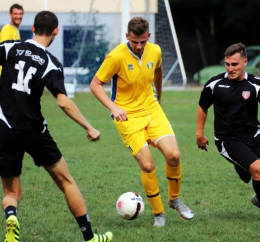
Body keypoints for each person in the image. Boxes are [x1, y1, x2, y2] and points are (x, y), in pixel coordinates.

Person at [0, 11, 112, 242]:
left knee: (10, 192)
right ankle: (91, 239)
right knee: (66, 181)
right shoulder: (51, 63)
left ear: (32, 28)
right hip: (34, 131)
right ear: (55, 31)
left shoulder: (9, 47)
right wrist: (89, 126)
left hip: (4, 128)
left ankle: (11, 215)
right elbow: (63, 102)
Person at [90, 16, 194, 227]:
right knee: (148, 165)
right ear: (127, 36)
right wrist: (114, 107)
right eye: (134, 41)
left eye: (142, 42)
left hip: (152, 110)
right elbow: (95, 84)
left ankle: (174, 200)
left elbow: (157, 70)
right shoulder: (115, 57)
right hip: (127, 116)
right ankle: (159, 214)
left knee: (173, 156)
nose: (138, 46)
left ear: (149, 37)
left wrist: (159, 97)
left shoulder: (154, 50)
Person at [196, 42, 260, 209]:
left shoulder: (255, 84)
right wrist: (199, 134)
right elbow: (203, 106)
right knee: (258, 169)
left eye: (234, 64)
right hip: (229, 140)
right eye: (227, 64)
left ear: (245, 63)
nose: (230, 68)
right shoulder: (214, 84)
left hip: (254, 135)